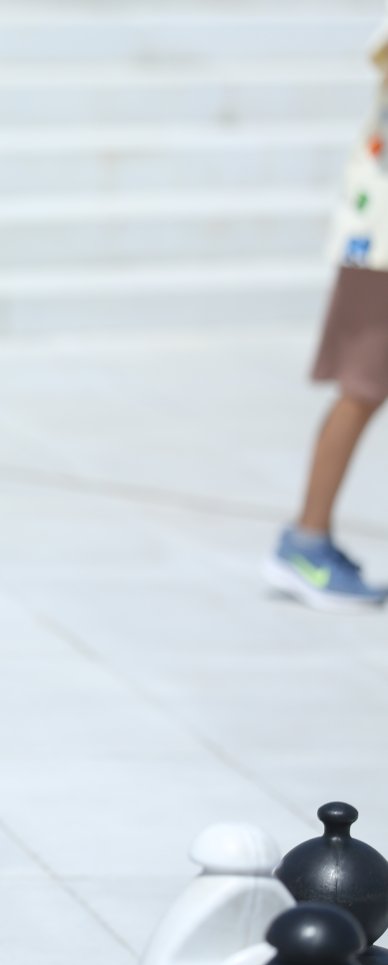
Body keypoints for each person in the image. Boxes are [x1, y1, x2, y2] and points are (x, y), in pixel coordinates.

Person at [266, 16, 388, 611]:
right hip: (382, 243)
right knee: (363, 387)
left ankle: (308, 541)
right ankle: (306, 545)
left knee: (365, 389)